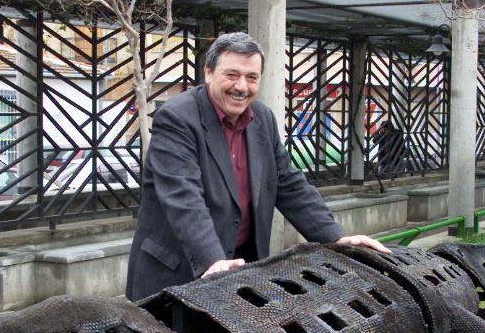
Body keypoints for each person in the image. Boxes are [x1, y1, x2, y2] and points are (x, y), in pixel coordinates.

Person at [126, 32, 389, 301]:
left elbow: (289, 183)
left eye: (252, 78)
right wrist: (212, 260)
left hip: (240, 274)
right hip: (176, 277)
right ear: (208, 72)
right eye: (232, 75)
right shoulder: (177, 118)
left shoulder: (262, 118)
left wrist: (337, 239)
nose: (242, 86)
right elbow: (184, 197)